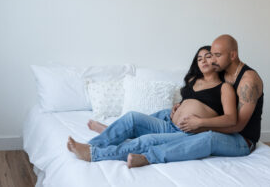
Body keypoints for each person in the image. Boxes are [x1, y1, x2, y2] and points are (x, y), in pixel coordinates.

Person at [67, 45, 237, 164]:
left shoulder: (224, 87)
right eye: (199, 58)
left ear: (216, 61)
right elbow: (190, 101)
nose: (203, 60)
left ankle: (94, 154)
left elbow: (230, 119)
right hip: (170, 124)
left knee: (146, 140)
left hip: (189, 134)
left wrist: (200, 122)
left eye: (208, 56)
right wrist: (178, 107)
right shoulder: (193, 81)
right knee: (132, 117)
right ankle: (92, 144)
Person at [127, 34, 264, 168]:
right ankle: (125, 131)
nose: (212, 61)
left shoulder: (248, 81)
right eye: (212, 55)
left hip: (241, 139)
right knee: (165, 113)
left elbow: (237, 125)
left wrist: (200, 124)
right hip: (222, 129)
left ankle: (148, 157)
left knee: (208, 138)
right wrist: (181, 106)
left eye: (217, 55)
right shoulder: (223, 73)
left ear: (232, 56)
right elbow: (208, 96)